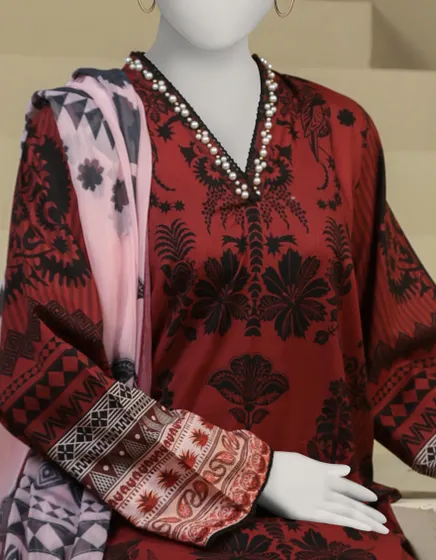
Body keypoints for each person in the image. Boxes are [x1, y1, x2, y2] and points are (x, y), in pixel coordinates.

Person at [0, 0, 435, 558]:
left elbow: (402, 351)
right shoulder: (79, 132)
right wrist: (249, 473)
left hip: (332, 511)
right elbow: (36, 366)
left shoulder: (340, 131)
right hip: (148, 519)